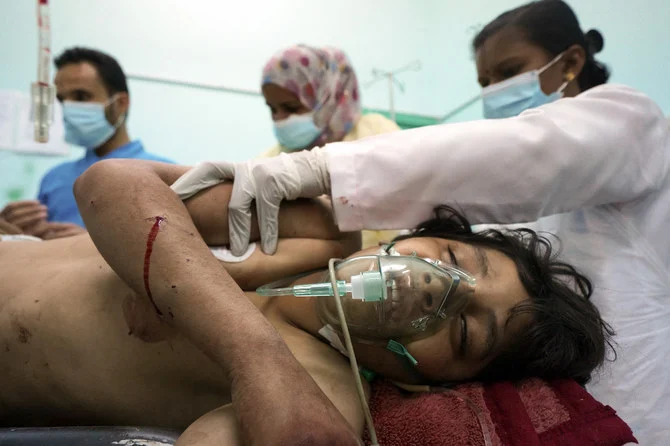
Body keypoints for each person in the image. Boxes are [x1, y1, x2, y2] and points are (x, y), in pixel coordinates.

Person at [170, 1, 670, 444]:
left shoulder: (632, 128)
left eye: (509, 71)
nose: (495, 92)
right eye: (485, 81)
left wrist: (320, 168)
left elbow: (527, 155)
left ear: (572, 62)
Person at [0, 158, 612, 445]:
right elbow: (110, 183)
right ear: (408, 236)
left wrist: (160, 270)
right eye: (450, 263)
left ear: (434, 385)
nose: (433, 289)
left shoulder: (319, 400)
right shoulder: (317, 230)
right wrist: (254, 358)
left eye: (462, 334)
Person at [0, 47, 174, 240]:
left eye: (81, 96)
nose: (67, 108)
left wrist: (94, 246)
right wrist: (15, 233)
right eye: (61, 99)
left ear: (121, 103)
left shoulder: (165, 174)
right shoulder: (54, 178)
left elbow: (179, 252)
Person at [259, 44, 401, 248]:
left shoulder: (378, 135)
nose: (279, 119)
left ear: (328, 96)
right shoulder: (269, 161)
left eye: (291, 107)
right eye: (272, 109)